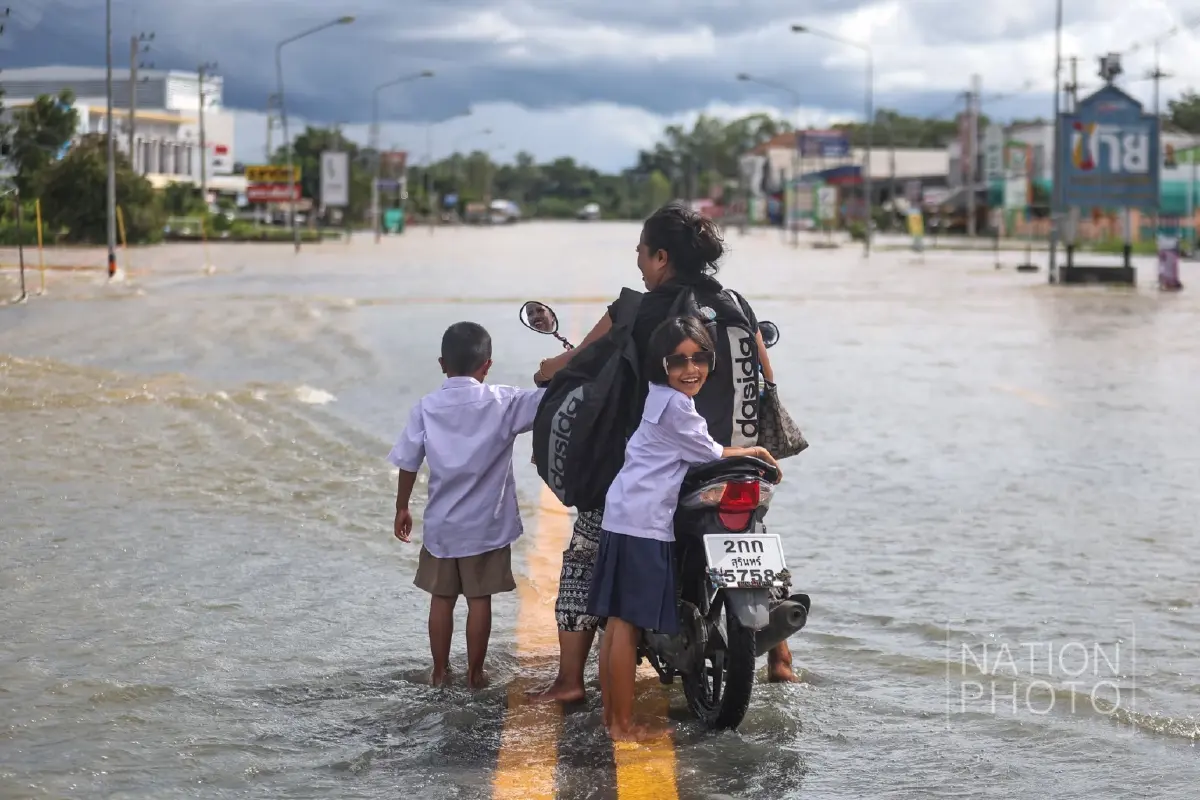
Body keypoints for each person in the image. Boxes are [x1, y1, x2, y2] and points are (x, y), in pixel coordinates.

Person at [528, 202, 799, 706]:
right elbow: (765, 365)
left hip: (651, 473)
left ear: (660, 257)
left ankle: (568, 682)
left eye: (640, 250)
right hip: (728, 463)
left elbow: (581, 361)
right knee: (751, 537)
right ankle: (781, 660)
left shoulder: (635, 309)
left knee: (586, 550)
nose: (636, 259)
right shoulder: (735, 302)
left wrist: (548, 369)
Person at [589, 316, 781, 740]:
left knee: (618, 623)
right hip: (642, 522)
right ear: (662, 364)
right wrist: (756, 450)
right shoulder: (676, 407)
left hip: (627, 514)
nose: (690, 369)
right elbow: (709, 453)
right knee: (627, 622)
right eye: (678, 361)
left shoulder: (660, 397)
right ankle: (621, 726)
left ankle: (612, 718)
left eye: (699, 358)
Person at [390, 321, 545, 688]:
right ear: (487, 365)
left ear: (442, 363)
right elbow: (548, 399)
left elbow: (408, 461)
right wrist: (554, 370)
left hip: (443, 525)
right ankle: (476, 674)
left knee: (441, 599)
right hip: (486, 526)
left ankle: (440, 672)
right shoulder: (504, 401)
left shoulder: (426, 407)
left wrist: (402, 507)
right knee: (479, 601)